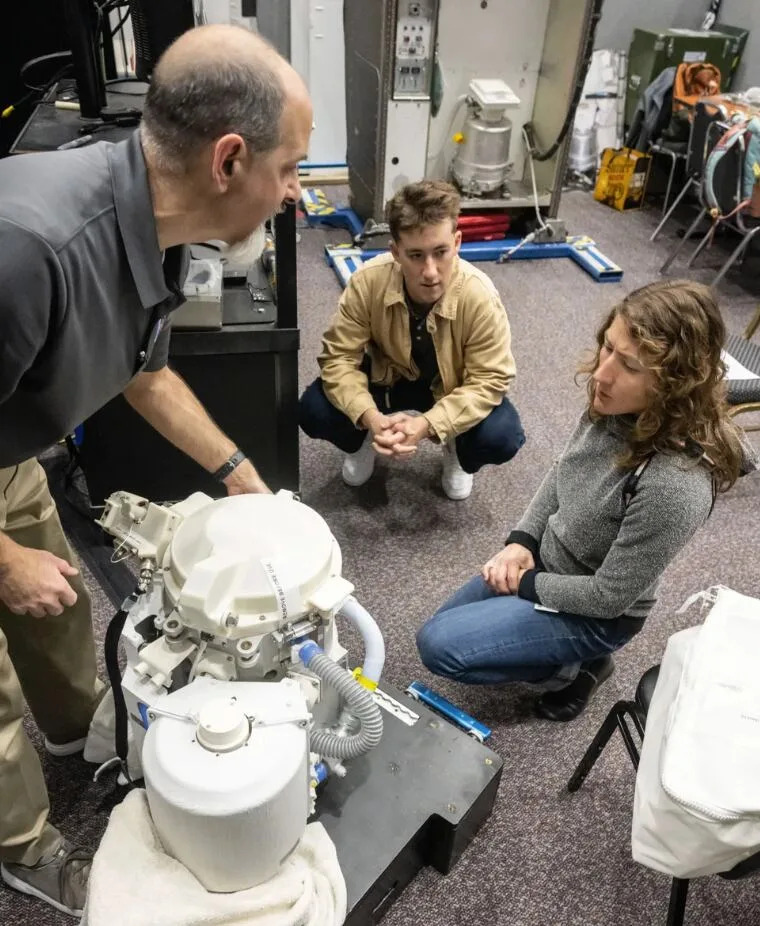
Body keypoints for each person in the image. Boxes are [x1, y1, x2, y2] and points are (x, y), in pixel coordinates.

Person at [0, 24, 311, 917]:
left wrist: (242, 473)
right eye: (290, 169)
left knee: (59, 615)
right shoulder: (31, 252)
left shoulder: (158, 223)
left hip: (13, 450)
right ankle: (24, 848)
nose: (294, 194)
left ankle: (74, 739)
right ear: (228, 160)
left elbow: (146, 373)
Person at [417, 280, 749, 721]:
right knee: (437, 631)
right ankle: (548, 641)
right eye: (607, 348)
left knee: (442, 649)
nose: (601, 373)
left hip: (597, 611)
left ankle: (575, 669)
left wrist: (523, 584)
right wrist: (522, 542)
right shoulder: (611, 400)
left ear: (675, 384)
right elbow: (563, 470)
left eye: (628, 364)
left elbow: (608, 597)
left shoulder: (677, 485)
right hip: (550, 561)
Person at [298, 180, 524, 500]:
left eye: (441, 252)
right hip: (385, 383)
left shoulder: (480, 297)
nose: (430, 271)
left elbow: (490, 379)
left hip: (449, 389)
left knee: (501, 435)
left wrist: (431, 424)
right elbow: (338, 360)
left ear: (457, 243)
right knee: (314, 410)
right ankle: (361, 439)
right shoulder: (367, 283)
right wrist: (369, 417)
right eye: (416, 255)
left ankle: (457, 446)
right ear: (395, 252)